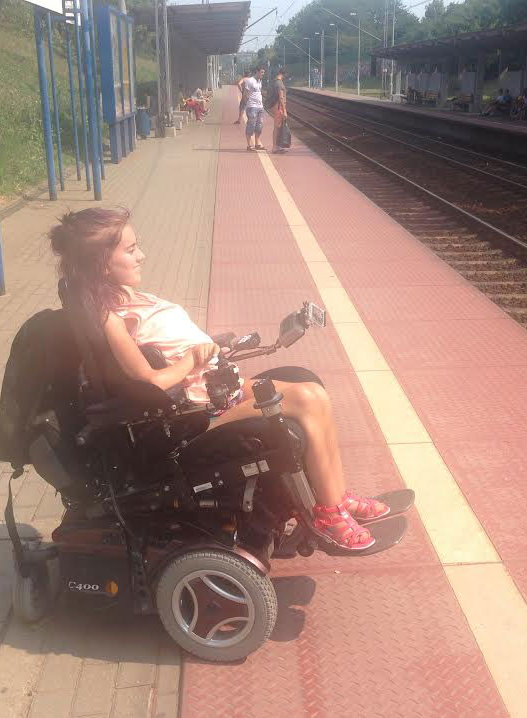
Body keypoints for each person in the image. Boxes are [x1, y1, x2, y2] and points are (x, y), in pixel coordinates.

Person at [48, 208, 388, 550]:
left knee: (312, 389)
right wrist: (191, 359)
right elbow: (147, 381)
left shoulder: (129, 296)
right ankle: (329, 514)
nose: (142, 256)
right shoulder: (112, 317)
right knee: (307, 400)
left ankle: (337, 497)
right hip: (192, 418)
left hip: (215, 390)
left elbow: (167, 342)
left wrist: (210, 346)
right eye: (131, 249)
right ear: (102, 264)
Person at [242, 65, 265, 151]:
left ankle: (257, 144)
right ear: (257, 71)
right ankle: (248, 145)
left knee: (259, 125)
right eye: (262, 72)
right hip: (252, 107)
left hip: (260, 107)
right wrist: (247, 104)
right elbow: (245, 94)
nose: (263, 74)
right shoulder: (250, 81)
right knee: (251, 125)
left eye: (263, 72)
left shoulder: (259, 81)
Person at [271, 67, 288, 154]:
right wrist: (284, 110)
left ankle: (278, 146)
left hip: (277, 107)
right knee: (277, 127)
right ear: (283, 74)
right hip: (279, 108)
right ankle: (274, 147)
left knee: (279, 127)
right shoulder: (279, 83)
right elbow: (281, 97)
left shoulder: (275, 81)